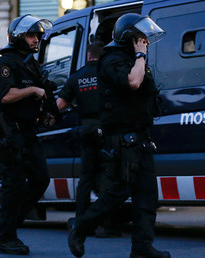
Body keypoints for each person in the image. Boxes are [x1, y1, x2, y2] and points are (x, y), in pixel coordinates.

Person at [67, 13, 170, 258]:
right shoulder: (112, 59)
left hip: (141, 139)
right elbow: (133, 82)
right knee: (116, 194)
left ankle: (142, 248)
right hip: (123, 141)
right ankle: (80, 228)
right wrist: (140, 55)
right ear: (129, 37)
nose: (145, 41)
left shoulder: (131, 59)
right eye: (141, 37)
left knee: (147, 197)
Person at [0, 14, 55, 255]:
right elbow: (5, 97)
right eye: (31, 35)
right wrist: (33, 90)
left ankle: (5, 224)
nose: (36, 39)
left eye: (38, 35)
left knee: (41, 179)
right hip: (12, 132)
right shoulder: (6, 62)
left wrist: (47, 111)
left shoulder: (31, 62)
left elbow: (40, 94)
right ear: (18, 37)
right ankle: (6, 238)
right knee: (14, 185)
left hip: (29, 130)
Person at [57, 42, 123, 238]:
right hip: (108, 129)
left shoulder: (77, 76)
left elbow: (59, 104)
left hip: (87, 128)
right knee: (107, 176)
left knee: (86, 179)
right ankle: (104, 224)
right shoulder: (108, 74)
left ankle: (80, 222)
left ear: (88, 54)